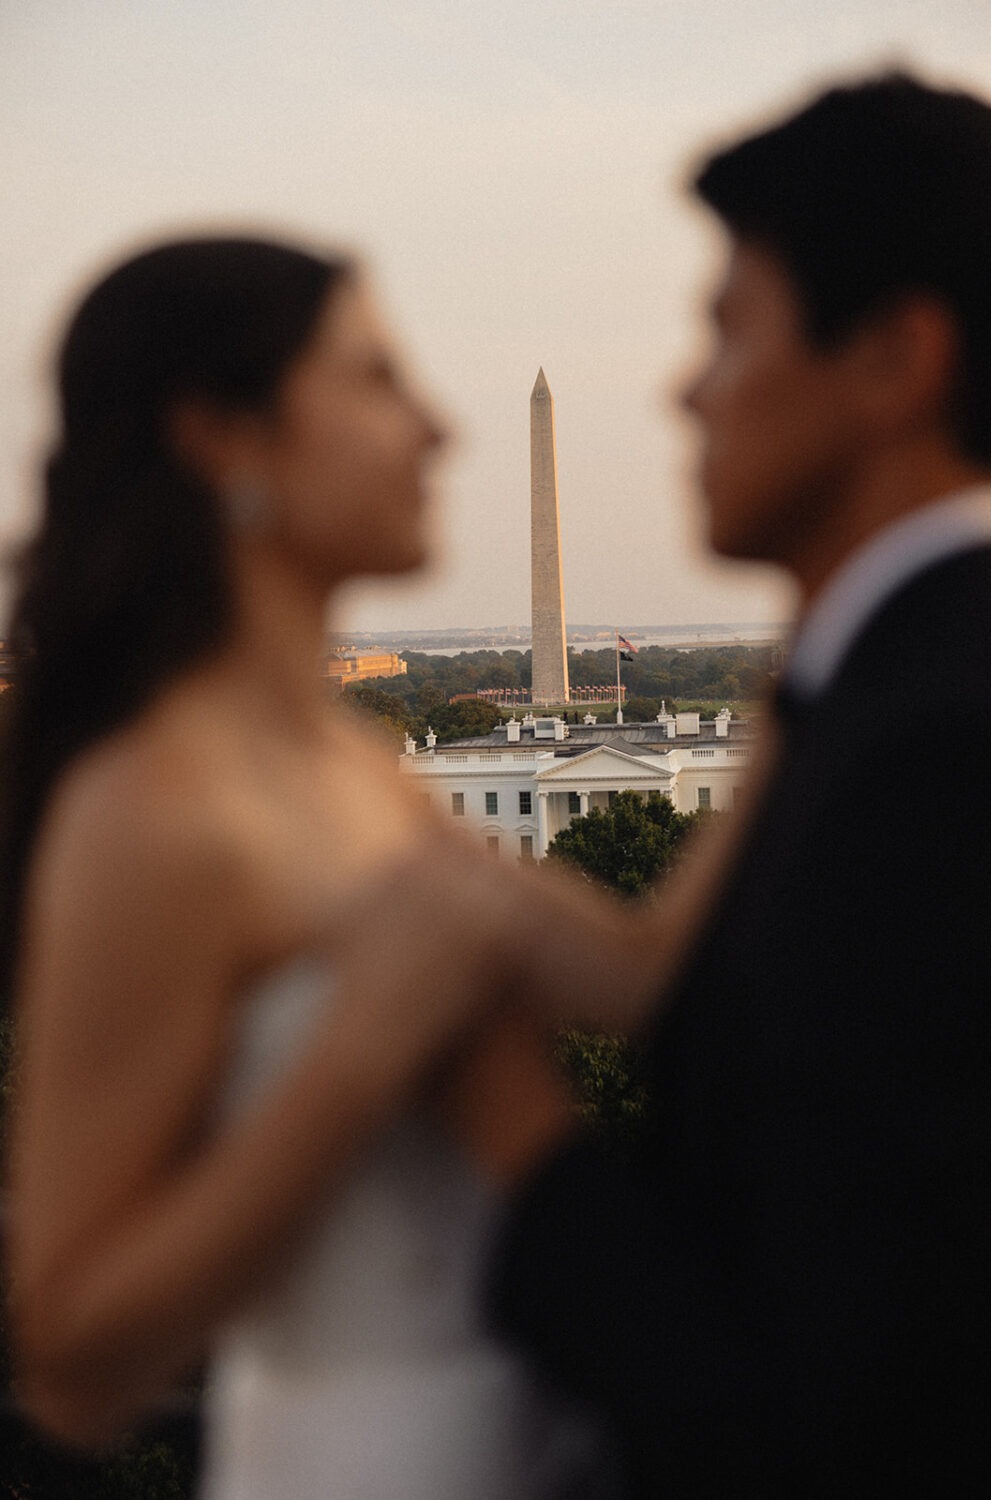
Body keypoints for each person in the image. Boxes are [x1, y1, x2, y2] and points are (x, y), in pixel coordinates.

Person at [1, 235, 638, 1498]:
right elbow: (70, 1357)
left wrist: (843, 644)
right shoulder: (147, 809)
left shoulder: (365, 766)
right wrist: (354, 1056)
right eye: (377, 380)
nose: (439, 431)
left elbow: (644, 980)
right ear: (227, 437)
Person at [491, 72, 991, 1495]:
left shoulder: (935, 761)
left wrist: (506, 1119)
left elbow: (825, 1408)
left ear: (896, 361)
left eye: (728, 328)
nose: (682, 387)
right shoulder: (880, 701)